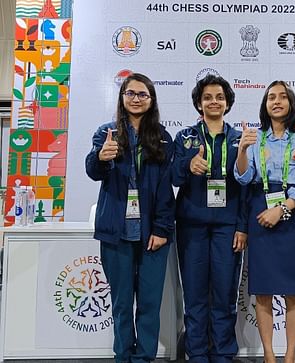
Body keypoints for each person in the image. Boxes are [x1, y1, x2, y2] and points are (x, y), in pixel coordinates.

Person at [86, 73, 175, 363]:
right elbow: (93, 171)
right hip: (117, 232)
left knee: (149, 303)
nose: (136, 99)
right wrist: (101, 157)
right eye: (131, 93)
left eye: (143, 94)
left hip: (152, 234)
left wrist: (162, 228)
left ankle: (144, 357)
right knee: (122, 303)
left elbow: (165, 188)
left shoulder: (162, 137)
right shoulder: (106, 132)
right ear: (122, 98)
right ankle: (122, 356)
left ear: (151, 100)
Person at [235, 80, 295, 363]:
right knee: (263, 290)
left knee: (294, 292)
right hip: (260, 210)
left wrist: (282, 209)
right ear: (265, 104)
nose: (277, 101)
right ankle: (270, 354)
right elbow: (244, 178)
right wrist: (242, 151)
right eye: (271, 97)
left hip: (292, 215)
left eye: (283, 96)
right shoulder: (255, 137)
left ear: (291, 104)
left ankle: (290, 355)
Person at [172, 74, 248, 363]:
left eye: (219, 97)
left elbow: (247, 187)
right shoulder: (185, 138)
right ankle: (198, 353)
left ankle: (224, 354)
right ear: (199, 103)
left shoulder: (239, 138)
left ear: (227, 103)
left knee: (224, 294)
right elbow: (173, 177)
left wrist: (242, 226)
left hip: (228, 227)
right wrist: (188, 164)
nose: (213, 101)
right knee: (194, 294)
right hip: (192, 225)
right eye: (207, 97)